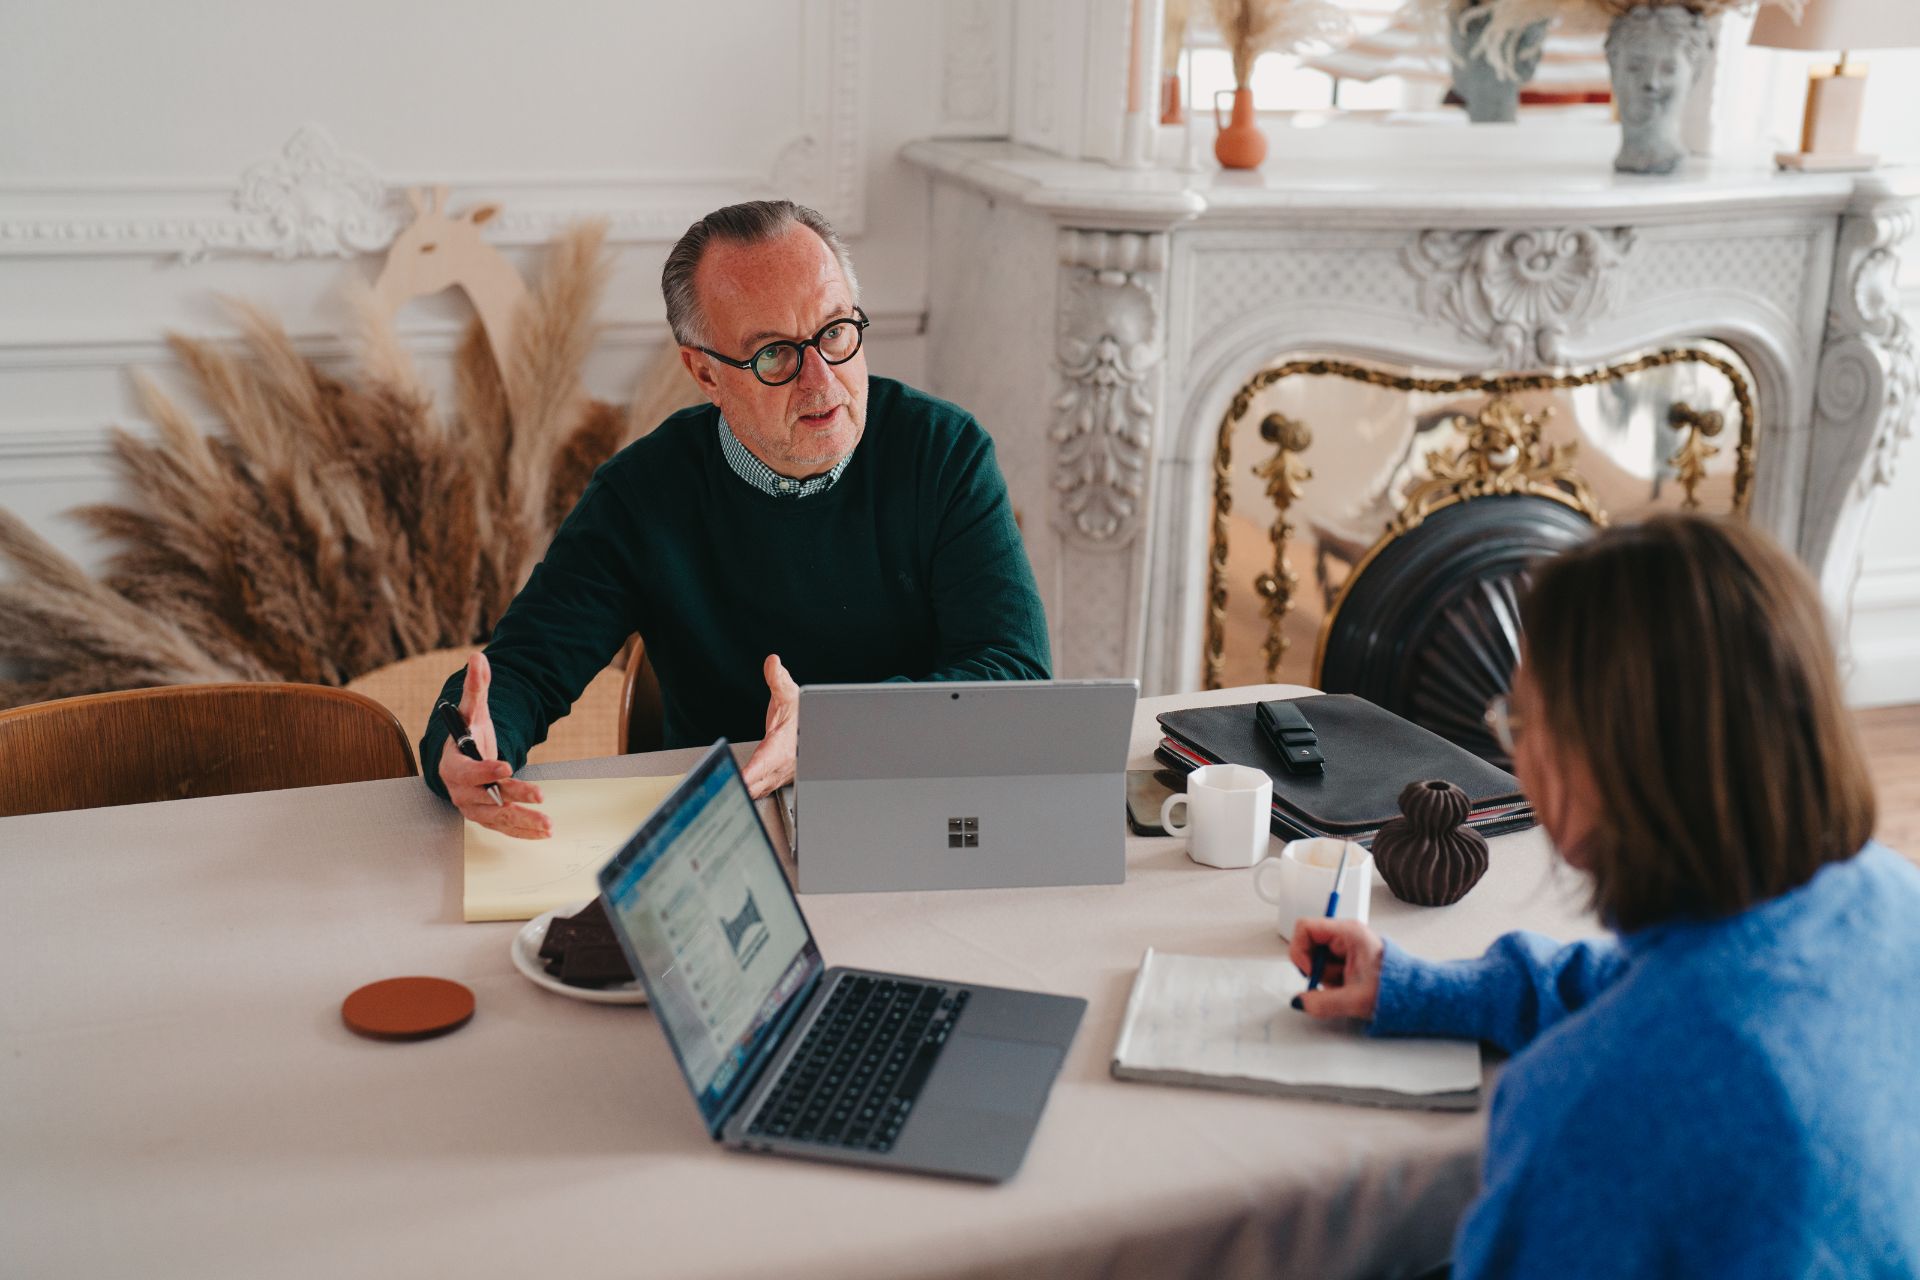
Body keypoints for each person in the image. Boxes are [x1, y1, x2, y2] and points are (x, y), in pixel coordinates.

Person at [1290, 513, 1920, 1277]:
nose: (1513, 746)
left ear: (1604, 765)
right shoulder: (1891, 902)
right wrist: (1422, 988)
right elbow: (1676, 995)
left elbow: (1669, 1042)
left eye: (1519, 718)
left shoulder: (1597, 1110)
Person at [422, 200, 1050, 836]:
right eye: (774, 354)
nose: (820, 380)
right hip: (724, 830)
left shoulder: (945, 453)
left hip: (919, 811)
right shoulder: (643, 493)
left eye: (834, 332)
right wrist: (466, 745)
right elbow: (525, 669)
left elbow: (1018, 676)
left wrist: (838, 728)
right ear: (704, 373)